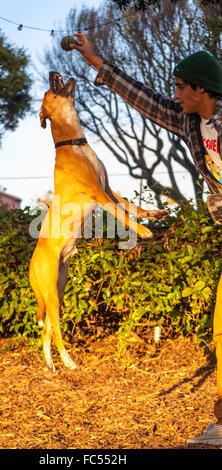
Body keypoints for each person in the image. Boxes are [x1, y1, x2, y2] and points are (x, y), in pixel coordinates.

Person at [70, 33, 222, 446]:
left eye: (180, 86)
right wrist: (96, 63)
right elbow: (146, 100)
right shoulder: (190, 119)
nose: (174, 93)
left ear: (201, 89)